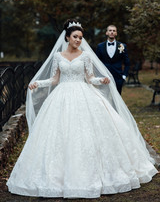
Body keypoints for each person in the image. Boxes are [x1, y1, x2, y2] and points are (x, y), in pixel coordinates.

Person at [7, 19, 158, 199]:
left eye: (80, 37)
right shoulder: (58, 57)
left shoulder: (85, 56)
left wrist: (100, 81)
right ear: (68, 37)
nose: (78, 40)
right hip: (61, 96)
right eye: (75, 37)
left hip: (84, 93)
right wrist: (37, 83)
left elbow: (90, 78)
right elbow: (55, 80)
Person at [96, 25, 130, 94]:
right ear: (107, 33)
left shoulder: (122, 46)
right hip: (105, 77)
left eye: (114, 31)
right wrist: (99, 76)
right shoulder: (100, 46)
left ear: (116, 33)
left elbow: (127, 62)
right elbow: (97, 62)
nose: (112, 32)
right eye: (110, 30)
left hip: (118, 78)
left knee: (118, 100)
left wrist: (124, 76)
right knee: (105, 99)